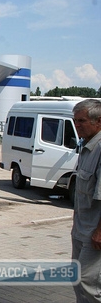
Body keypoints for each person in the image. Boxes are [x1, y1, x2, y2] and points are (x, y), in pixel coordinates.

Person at [71, 99, 101, 302]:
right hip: (81, 230)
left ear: (99, 121)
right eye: (75, 120)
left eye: (81, 121)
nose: (77, 125)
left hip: (95, 233)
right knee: (78, 279)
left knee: (87, 282)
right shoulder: (87, 147)